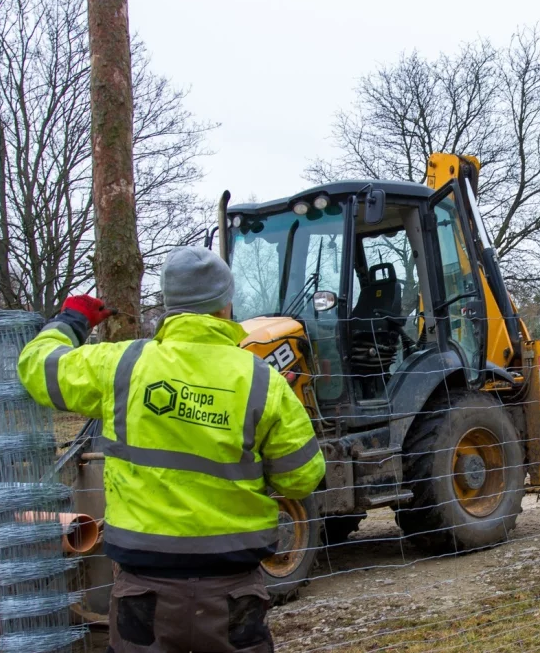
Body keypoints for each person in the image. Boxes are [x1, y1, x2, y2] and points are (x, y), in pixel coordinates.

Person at [18, 245, 326, 653]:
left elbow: (36, 366)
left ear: (169, 305)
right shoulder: (262, 381)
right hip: (232, 589)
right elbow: (302, 477)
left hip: (143, 587)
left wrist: (72, 319)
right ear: (225, 304)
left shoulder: (122, 366)